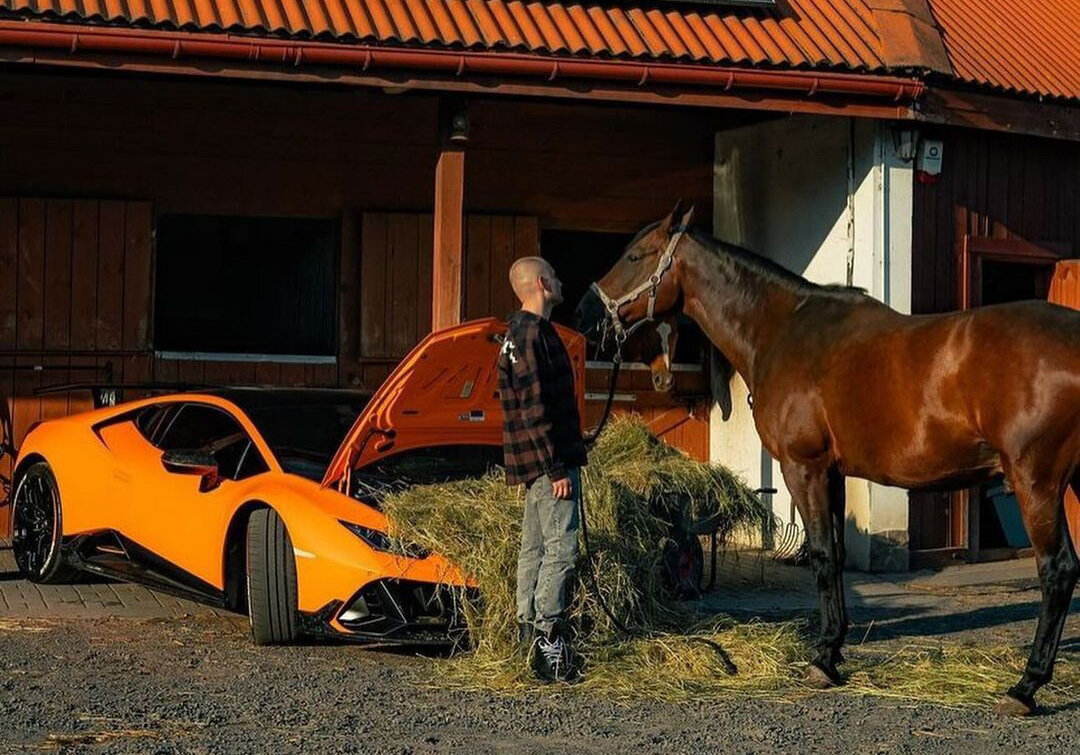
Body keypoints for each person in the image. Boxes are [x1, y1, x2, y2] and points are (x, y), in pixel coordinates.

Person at [497, 256, 588, 683]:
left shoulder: (519, 335)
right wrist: (557, 468)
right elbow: (535, 410)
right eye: (555, 275)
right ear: (541, 282)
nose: (561, 280)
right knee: (562, 550)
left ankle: (525, 639)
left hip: (532, 466)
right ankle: (549, 637)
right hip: (549, 467)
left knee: (532, 550)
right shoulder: (531, 335)